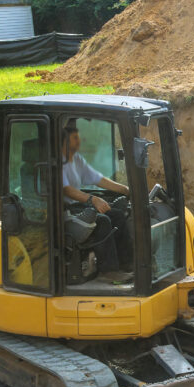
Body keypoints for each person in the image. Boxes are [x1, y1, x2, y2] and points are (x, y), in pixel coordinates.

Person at [61, 121, 133, 283]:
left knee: (117, 215)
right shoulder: (59, 162)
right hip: (65, 211)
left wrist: (126, 190)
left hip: (78, 205)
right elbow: (66, 189)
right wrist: (92, 199)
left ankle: (127, 264)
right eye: (75, 138)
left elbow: (98, 179)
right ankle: (108, 271)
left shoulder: (76, 159)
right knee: (103, 221)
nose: (79, 141)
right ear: (64, 141)